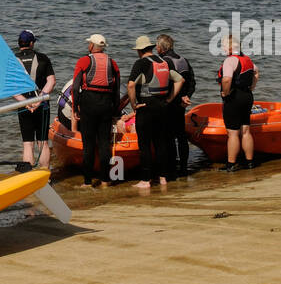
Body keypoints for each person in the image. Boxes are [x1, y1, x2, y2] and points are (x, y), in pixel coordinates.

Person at [127, 35, 183, 189]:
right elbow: (180, 80)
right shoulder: (164, 62)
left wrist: (134, 105)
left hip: (146, 107)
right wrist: (170, 98)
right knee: (160, 143)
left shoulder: (140, 63)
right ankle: (163, 177)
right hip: (163, 107)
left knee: (144, 145)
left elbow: (131, 86)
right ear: (151, 48)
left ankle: (146, 180)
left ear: (139, 50)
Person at [71, 34, 125, 188]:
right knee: (103, 143)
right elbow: (116, 90)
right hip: (106, 104)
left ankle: (87, 182)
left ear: (91, 47)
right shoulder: (112, 63)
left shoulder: (84, 61)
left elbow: (75, 87)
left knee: (88, 144)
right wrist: (115, 110)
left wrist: (75, 108)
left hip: (88, 104)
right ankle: (105, 180)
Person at [13, 30, 56, 169]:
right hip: (42, 105)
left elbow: (12, 87)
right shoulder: (43, 58)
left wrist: (24, 102)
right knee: (42, 142)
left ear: (19, 44)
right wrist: (39, 100)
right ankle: (45, 176)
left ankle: (28, 176)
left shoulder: (13, 60)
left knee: (27, 143)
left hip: (24, 106)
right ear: (31, 43)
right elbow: (51, 81)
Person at [217, 35, 259, 170]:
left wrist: (225, 92)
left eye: (223, 45)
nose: (222, 48)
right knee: (245, 130)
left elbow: (227, 79)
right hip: (247, 96)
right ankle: (250, 162)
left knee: (233, 133)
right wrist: (251, 88)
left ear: (230, 47)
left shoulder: (230, 61)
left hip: (234, 97)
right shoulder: (247, 59)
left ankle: (231, 164)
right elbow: (256, 73)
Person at [157, 33, 195, 177]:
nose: (156, 48)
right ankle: (184, 168)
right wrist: (186, 97)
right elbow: (192, 82)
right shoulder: (183, 60)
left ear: (161, 48)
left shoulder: (163, 62)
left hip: (169, 103)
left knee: (168, 136)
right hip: (181, 105)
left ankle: (171, 167)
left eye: (157, 45)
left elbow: (166, 84)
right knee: (181, 135)